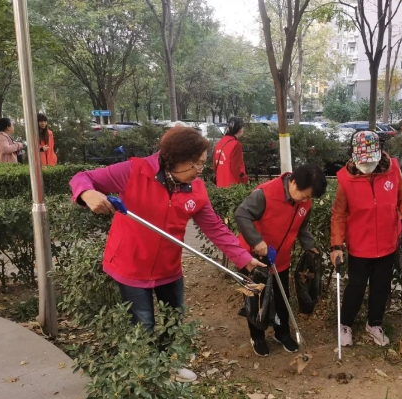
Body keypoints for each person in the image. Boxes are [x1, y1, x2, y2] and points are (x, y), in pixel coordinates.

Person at [70, 126, 264, 382]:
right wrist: (87, 193)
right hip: (131, 266)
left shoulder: (195, 189)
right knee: (143, 325)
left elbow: (215, 227)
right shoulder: (133, 171)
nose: (199, 171)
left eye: (202, 165)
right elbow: (82, 177)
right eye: (196, 164)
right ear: (176, 160)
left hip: (169, 267)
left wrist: (244, 259)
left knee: (174, 319)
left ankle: (168, 364)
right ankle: (147, 378)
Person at [330, 131, 402, 348]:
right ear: (354, 156)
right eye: (363, 161)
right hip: (360, 244)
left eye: (371, 161)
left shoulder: (392, 170)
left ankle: (375, 323)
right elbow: (339, 214)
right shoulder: (345, 178)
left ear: (379, 154)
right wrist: (336, 245)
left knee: (381, 286)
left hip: (388, 242)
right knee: (356, 286)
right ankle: (345, 324)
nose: (367, 165)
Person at [235, 164, 328, 357]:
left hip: (280, 259)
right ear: (293, 182)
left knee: (281, 298)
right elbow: (241, 214)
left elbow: (302, 228)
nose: (306, 199)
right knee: (256, 300)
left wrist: (309, 245)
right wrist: (256, 241)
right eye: (305, 194)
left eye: (309, 197)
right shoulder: (265, 194)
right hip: (254, 259)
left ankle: (282, 332)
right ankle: (257, 336)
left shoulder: (304, 203)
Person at [213, 116, 249, 187]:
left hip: (220, 183)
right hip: (232, 186)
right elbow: (237, 168)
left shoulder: (220, 142)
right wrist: (245, 180)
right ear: (240, 129)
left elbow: (214, 165)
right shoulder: (236, 144)